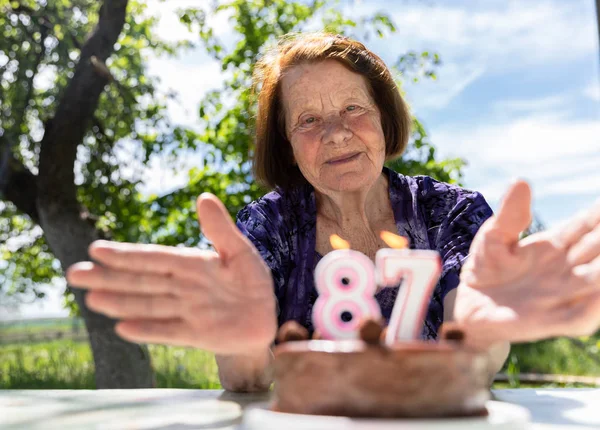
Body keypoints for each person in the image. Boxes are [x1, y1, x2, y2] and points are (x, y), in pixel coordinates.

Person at [66, 33, 600, 392]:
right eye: (309, 120)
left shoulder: (449, 213)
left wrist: (481, 340)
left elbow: (476, 346)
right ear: (288, 144)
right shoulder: (265, 230)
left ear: (385, 120)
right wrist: (248, 347)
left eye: (352, 109)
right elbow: (247, 378)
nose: (337, 133)